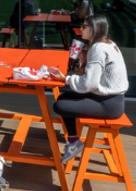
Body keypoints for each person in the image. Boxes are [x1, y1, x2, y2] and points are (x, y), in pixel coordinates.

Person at [50, 14, 128, 163]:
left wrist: (65, 78)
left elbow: (89, 84)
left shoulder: (98, 49)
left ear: (94, 29)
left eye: (84, 26)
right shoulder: (109, 43)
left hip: (108, 104)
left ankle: (73, 143)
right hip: (111, 99)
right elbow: (96, 79)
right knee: (63, 98)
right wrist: (83, 70)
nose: (81, 29)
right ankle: (73, 141)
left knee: (60, 105)